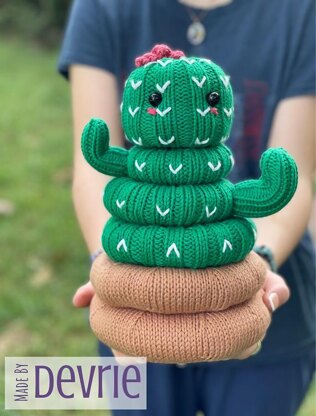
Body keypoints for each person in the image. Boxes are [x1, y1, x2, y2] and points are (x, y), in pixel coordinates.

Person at [58, 0, 315, 415]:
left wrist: (259, 265)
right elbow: (94, 168)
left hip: (270, 311)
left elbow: (297, 174)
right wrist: (119, 275)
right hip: (132, 311)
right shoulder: (103, 6)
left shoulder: (302, 11)